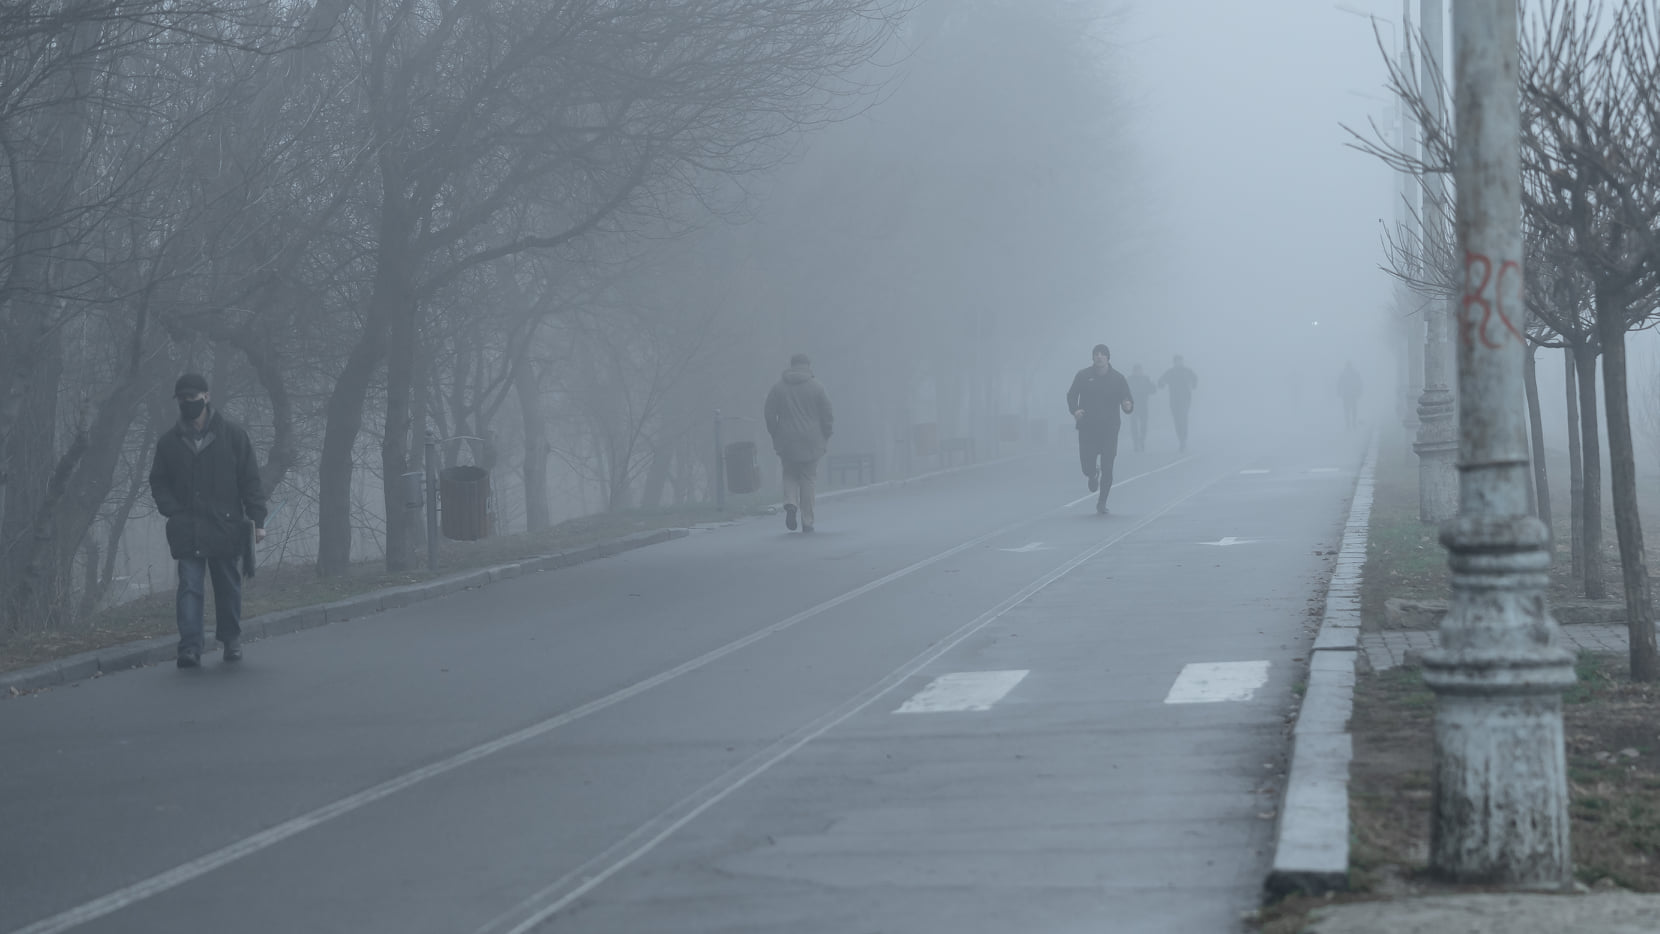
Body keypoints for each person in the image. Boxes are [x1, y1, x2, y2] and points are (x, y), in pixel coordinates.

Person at [149, 373, 267, 668]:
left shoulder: (234, 436)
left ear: (206, 396)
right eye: (182, 399)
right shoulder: (168, 443)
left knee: (228, 586)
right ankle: (189, 647)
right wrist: (172, 510)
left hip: (225, 525)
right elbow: (158, 482)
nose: (187, 403)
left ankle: (231, 640)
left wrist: (257, 519)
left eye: (192, 397)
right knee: (189, 586)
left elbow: (250, 481)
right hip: (187, 527)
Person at [764, 353, 834, 533]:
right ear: (808, 365)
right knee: (808, 478)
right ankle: (807, 520)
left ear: (791, 365)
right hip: (812, 439)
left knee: (789, 473)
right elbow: (827, 414)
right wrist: (826, 433)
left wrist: (775, 432)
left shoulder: (778, 388)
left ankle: (790, 503)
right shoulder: (817, 387)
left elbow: (769, 413)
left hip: (786, 439)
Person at [1067, 344, 1135, 515]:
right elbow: (1071, 395)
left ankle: (1102, 502)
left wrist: (1127, 406)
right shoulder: (1083, 376)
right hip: (1088, 428)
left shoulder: (1118, 378)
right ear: (1092, 358)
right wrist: (1075, 410)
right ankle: (1091, 473)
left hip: (1109, 429)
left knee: (1108, 465)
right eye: (1096, 354)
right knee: (1086, 465)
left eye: (1102, 354)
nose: (1099, 357)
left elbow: (1127, 398)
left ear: (1108, 358)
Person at [1157, 354, 1199, 453]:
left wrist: (1194, 385)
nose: (1178, 363)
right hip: (1174, 400)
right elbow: (1161, 380)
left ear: (1182, 361)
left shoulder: (1187, 371)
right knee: (1177, 420)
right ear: (1174, 362)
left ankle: (1183, 439)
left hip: (1185, 399)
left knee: (1183, 417)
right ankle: (1181, 438)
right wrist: (1161, 384)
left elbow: (1195, 378)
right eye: (1177, 361)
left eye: (1180, 361)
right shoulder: (1170, 372)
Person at [1125, 363, 1156, 453]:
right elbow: (1124, 390)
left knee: (1144, 424)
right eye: (1136, 370)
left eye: (1139, 370)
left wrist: (1151, 387)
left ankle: (1142, 439)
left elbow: (1153, 390)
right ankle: (1135, 442)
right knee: (1133, 425)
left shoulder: (1145, 379)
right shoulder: (1129, 380)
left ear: (1141, 371)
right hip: (1133, 405)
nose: (1138, 372)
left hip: (1143, 406)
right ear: (1134, 371)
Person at [1338, 361, 1363, 430]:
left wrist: (1339, 392)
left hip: (1347, 395)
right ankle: (1352, 424)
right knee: (1352, 410)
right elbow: (1359, 383)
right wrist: (1359, 392)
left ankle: (1349, 424)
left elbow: (1339, 384)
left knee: (1347, 410)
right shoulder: (1354, 373)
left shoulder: (1344, 374)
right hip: (1352, 395)